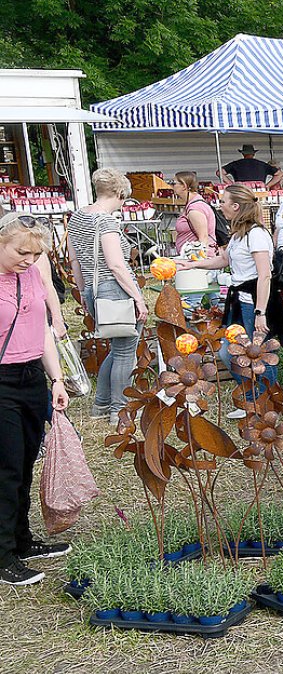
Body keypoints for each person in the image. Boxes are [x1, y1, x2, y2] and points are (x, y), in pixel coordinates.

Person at [0, 213, 72, 585]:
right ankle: (3, 554)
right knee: (7, 467)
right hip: (3, 380)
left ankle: (22, 539)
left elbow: (41, 327)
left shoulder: (30, 275)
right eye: (21, 252)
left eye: (35, 254)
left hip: (31, 375)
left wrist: (56, 379)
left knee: (26, 461)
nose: (28, 260)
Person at [188, 184, 281, 417]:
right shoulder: (238, 235)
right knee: (229, 352)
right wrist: (192, 264)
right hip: (238, 301)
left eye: (223, 202)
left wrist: (260, 312)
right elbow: (222, 261)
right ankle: (251, 397)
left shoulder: (257, 235)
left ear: (236, 206)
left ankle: (266, 402)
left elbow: (265, 275)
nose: (220, 206)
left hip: (253, 303)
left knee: (255, 352)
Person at [67, 168, 147, 419]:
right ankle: (119, 409)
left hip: (92, 288)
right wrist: (138, 297)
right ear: (120, 193)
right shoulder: (106, 221)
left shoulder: (77, 218)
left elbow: (74, 261)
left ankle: (101, 405)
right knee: (125, 352)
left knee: (116, 348)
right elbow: (116, 264)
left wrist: (83, 292)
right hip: (114, 288)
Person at [171, 171, 217, 254]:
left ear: (184, 186)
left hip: (197, 260)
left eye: (173, 183)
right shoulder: (192, 204)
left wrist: (198, 261)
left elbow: (203, 239)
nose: (170, 186)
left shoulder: (195, 209)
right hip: (191, 258)